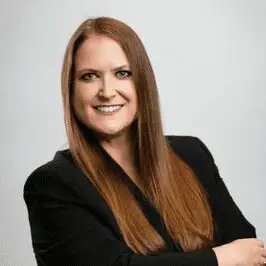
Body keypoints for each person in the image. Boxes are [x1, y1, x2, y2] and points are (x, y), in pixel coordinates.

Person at [23, 16, 266, 266]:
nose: (107, 91)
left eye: (122, 73)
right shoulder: (52, 185)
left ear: (143, 83)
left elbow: (250, 251)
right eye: (89, 76)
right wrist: (221, 258)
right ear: (71, 89)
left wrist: (235, 256)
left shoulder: (192, 154)